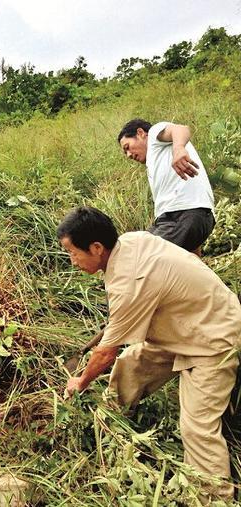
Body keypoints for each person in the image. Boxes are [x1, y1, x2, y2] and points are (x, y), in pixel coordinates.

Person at [58, 206, 241, 501]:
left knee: (196, 428)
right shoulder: (131, 241)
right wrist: (118, 322)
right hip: (188, 324)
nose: (72, 260)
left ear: (96, 247)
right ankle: (108, 425)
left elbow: (104, 354)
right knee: (132, 363)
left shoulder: (129, 282)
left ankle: (215, 497)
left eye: (73, 252)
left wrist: (80, 382)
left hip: (213, 340)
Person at [118, 119, 215, 254]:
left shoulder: (153, 135)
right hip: (190, 217)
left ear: (140, 133)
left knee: (140, 257)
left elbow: (181, 129)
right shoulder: (155, 161)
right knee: (188, 266)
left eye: (127, 147)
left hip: (184, 214)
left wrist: (178, 148)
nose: (128, 155)